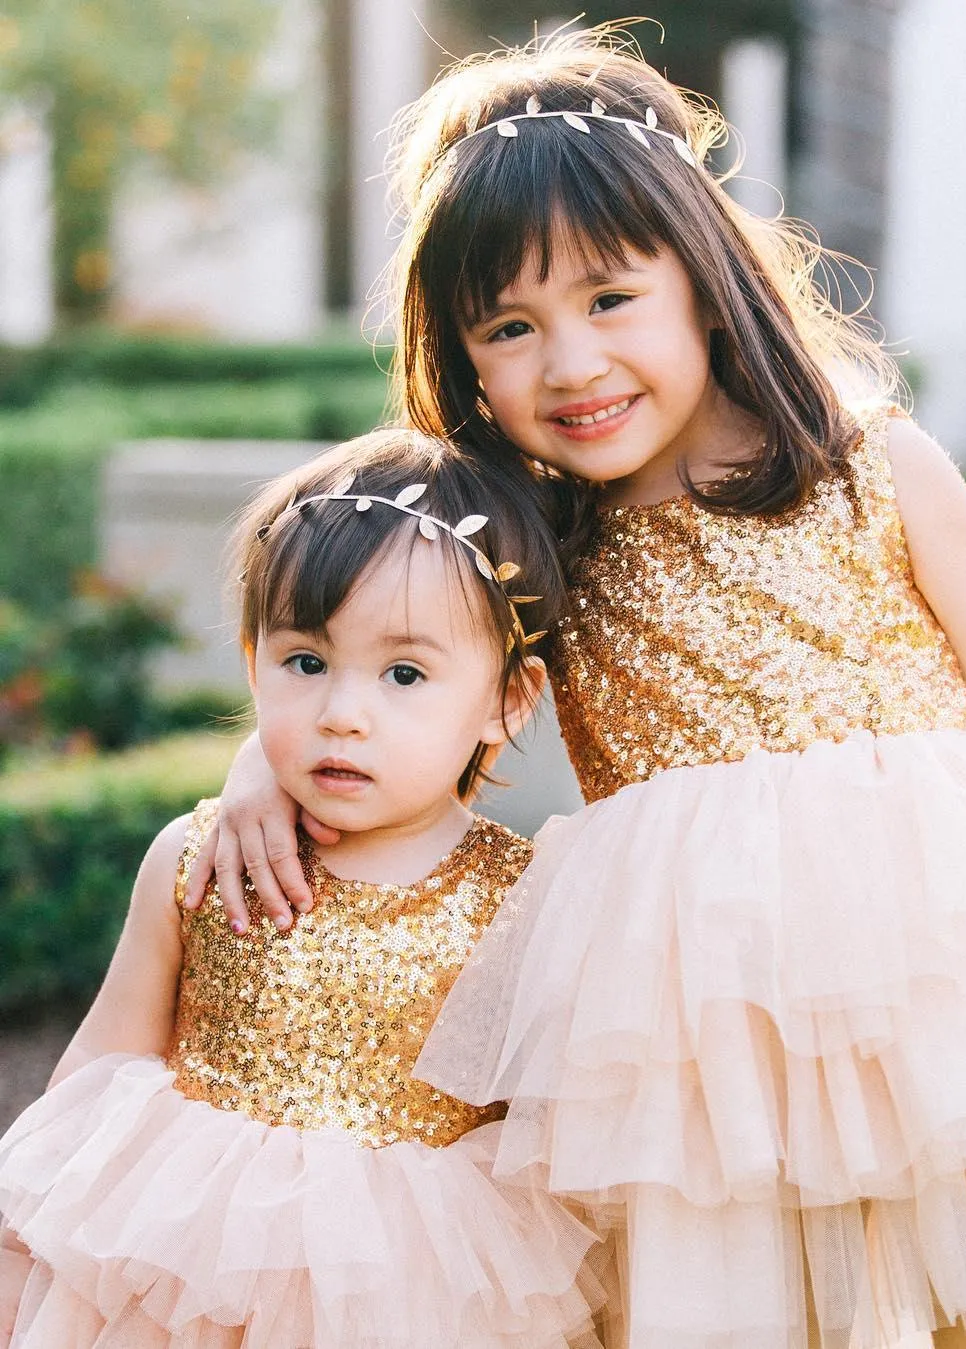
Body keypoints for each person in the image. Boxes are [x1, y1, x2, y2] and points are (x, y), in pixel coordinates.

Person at [186, 25, 966, 1349]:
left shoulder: (875, 468)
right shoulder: (527, 535)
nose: (572, 364)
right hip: (689, 1028)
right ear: (467, 360)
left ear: (704, 280)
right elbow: (373, 652)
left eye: (609, 298)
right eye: (512, 325)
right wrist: (260, 761)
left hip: (938, 978)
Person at [0, 428, 604, 1348]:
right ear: (253, 661)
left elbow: (548, 1137)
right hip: (182, 1271)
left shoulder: (524, 901)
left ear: (507, 700)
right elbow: (98, 1070)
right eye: (306, 662)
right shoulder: (194, 856)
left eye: (404, 673)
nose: (342, 714)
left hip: (416, 1291)